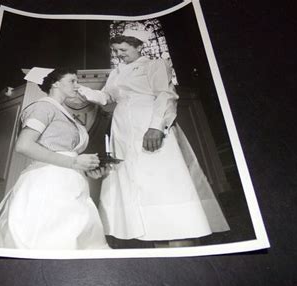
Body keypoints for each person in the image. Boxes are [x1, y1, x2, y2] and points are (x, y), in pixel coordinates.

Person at [79, 29, 230, 244]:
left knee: (162, 182)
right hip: (123, 132)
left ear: (139, 46)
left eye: (123, 49)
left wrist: (156, 127)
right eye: (115, 50)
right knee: (139, 184)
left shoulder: (155, 65)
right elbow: (105, 97)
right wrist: (80, 89)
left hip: (149, 126)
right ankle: (156, 236)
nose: (119, 54)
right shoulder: (117, 72)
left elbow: (165, 95)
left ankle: (182, 236)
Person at [0, 67, 109, 250]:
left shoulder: (65, 114)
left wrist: (88, 167)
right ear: (55, 84)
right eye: (72, 81)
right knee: (48, 241)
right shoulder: (43, 107)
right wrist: (73, 162)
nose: (77, 86)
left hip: (70, 184)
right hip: (47, 185)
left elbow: (63, 151)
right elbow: (24, 145)